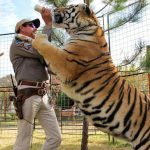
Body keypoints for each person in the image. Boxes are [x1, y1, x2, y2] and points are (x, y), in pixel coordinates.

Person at [9, 7, 61, 150]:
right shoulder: (18, 44)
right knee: (23, 141)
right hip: (28, 94)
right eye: (31, 25)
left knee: (56, 138)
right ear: (21, 28)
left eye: (35, 26)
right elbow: (42, 49)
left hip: (44, 95)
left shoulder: (35, 45)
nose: (34, 28)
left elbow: (48, 58)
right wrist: (48, 25)